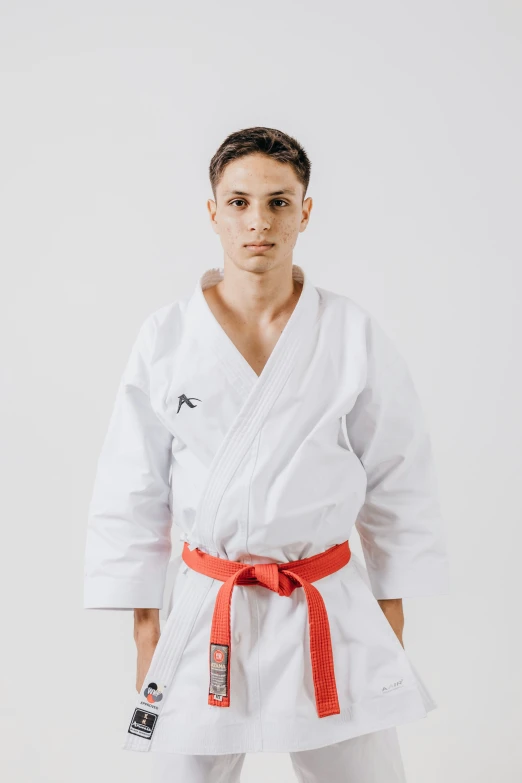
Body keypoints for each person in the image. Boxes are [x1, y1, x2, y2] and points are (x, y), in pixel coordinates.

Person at [84, 126, 450, 782]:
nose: (259, 220)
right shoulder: (168, 337)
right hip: (205, 605)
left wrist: (389, 611)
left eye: (280, 202)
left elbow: (401, 479)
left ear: (305, 210)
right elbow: (132, 490)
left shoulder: (349, 333)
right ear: (214, 212)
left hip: (325, 602)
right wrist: (146, 631)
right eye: (240, 202)